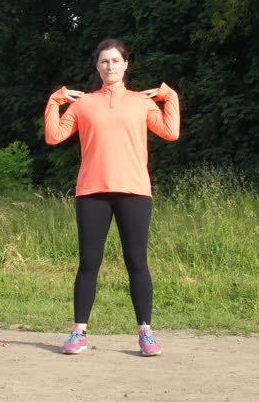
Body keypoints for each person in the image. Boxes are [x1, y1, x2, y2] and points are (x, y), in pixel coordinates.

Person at [44, 38, 180, 356]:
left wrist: (167, 94)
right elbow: (54, 136)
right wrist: (55, 100)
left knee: (137, 263)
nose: (110, 66)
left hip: (134, 191)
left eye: (116, 61)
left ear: (125, 65)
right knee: (89, 263)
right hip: (92, 192)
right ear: (97, 67)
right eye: (104, 61)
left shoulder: (141, 102)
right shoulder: (83, 104)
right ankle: (78, 332)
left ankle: (145, 333)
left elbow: (171, 132)